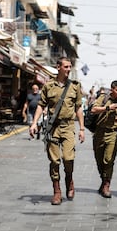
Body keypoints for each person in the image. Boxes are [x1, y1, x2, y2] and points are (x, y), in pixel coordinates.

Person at [29, 56, 85, 205]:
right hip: (53, 127)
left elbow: (79, 108)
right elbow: (41, 105)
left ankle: (69, 179)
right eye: (66, 67)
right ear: (58, 67)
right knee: (54, 160)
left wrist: (82, 129)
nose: (68, 69)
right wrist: (34, 123)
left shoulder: (75, 86)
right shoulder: (49, 86)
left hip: (68, 127)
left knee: (68, 158)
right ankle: (57, 191)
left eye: (69, 67)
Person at [91, 80, 117, 198]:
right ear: (112, 90)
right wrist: (107, 108)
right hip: (99, 132)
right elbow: (93, 109)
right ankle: (103, 179)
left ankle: (106, 184)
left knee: (109, 160)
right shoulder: (103, 98)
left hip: (112, 134)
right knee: (99, 160)